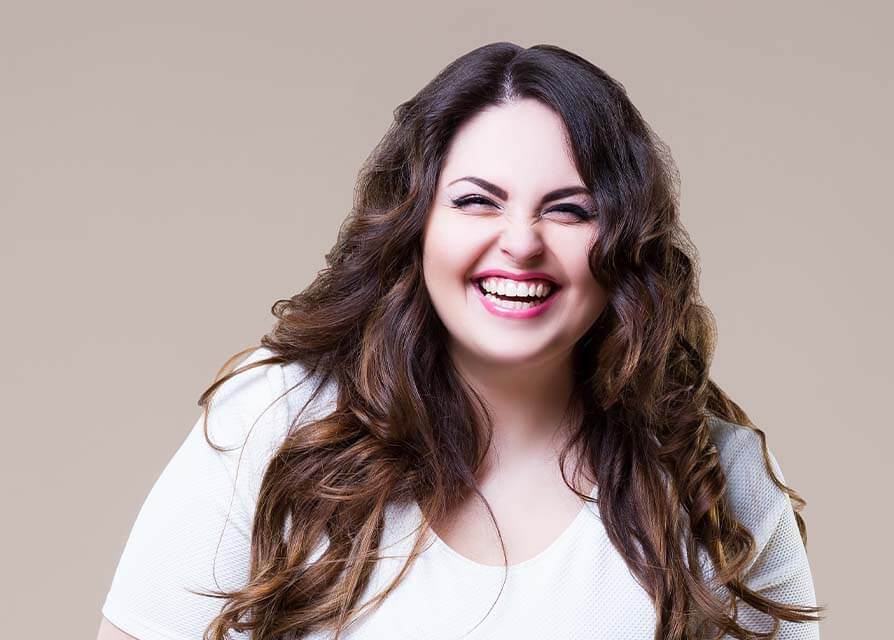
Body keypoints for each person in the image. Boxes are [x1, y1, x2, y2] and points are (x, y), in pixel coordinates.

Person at [97, 42, 825, 640]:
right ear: (415, 226)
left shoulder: (715, 472)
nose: (520, 244)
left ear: (625, 245)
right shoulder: (276, 419)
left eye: (568, 211)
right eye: (477, 201)